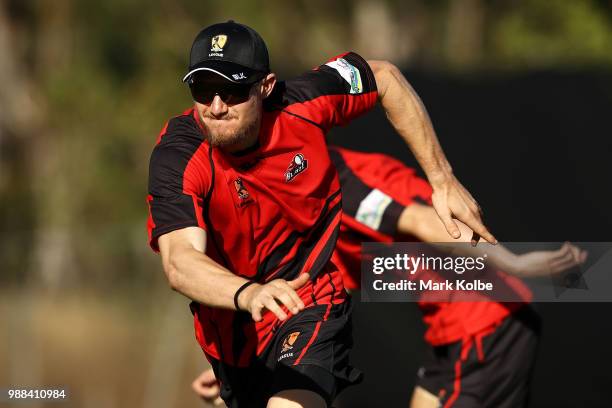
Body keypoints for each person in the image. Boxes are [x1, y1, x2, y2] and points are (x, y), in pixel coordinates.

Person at [147, 20, 495, 408]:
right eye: (204, 89)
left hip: (310, 300)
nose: (216, 106)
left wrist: (443, 180)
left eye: (232, 90)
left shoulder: (307, 109)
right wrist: (250, 294)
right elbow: (180, 261)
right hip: (234, 332)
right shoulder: (178, 155)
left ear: (265, 86)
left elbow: (385, 78)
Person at [192, 146, 586, 408]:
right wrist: (236, 367)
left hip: (489, 324)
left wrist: (516, 265)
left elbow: (426, 221)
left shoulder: (329, 184)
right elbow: (308, 303)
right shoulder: (303, 205)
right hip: (459, 333)